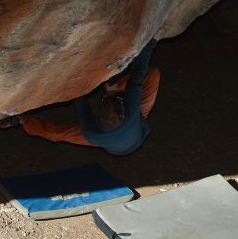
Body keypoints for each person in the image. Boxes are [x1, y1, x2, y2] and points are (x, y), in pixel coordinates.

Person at [14, 39, 159, 155]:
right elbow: (137, 78)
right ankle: (115, 86)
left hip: (117, 144)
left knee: (57, 133)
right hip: (139, 123)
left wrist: (75, 85)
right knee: (152, 75)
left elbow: (82, 109)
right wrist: (150, 43)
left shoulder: (93, 134)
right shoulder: (132, 110)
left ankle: (23, 121)